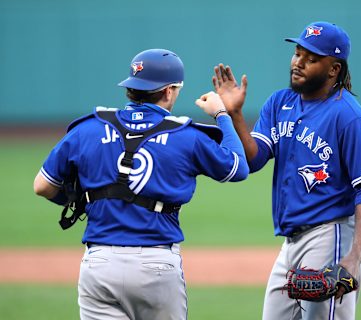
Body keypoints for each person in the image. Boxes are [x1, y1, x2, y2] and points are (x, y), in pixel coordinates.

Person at [33, 48, 249, 320]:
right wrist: (221, 114)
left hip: (99, 263)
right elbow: (238, 168)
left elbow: (42, 185)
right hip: (156, 265)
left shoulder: (88, 128)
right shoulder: (185, 135)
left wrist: (81, 200)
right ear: (169, 91)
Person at [212, 21, 361, 319]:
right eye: (297, 53)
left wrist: (354, 257)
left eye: (312, 58)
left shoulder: (349, 117)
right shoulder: (280, 103)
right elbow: (254, 160)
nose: (299, 63)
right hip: (291, 243)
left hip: (332, 236)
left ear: (334, 69)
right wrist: (235, 114)